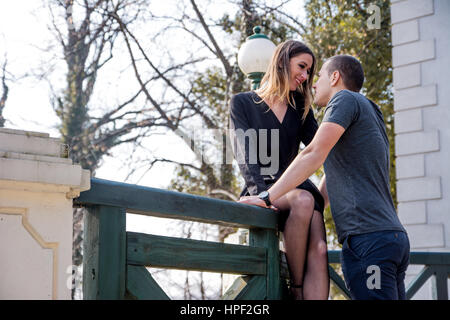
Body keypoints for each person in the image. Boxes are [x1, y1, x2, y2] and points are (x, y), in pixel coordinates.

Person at [239, 54, 410, 300]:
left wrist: (267, 197)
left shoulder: (343, 99)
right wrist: (311, 209)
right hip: (393, 240)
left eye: (318, 76)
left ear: (335, 77)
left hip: (368, 241)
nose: (313, 83)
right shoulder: (372, 110)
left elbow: (313, 152)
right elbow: (341, 172)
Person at [229, 40, 329, 300]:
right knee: (305, 200)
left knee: (319, 250)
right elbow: (244, 154)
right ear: (283, 60)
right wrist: (261, 195)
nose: (305, 76)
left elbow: (322, 149)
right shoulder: (241, 103)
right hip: (264, 188)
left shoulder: (300, 108)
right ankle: (295, 289)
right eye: (302, 67)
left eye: (309, 71)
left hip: (297, 187)